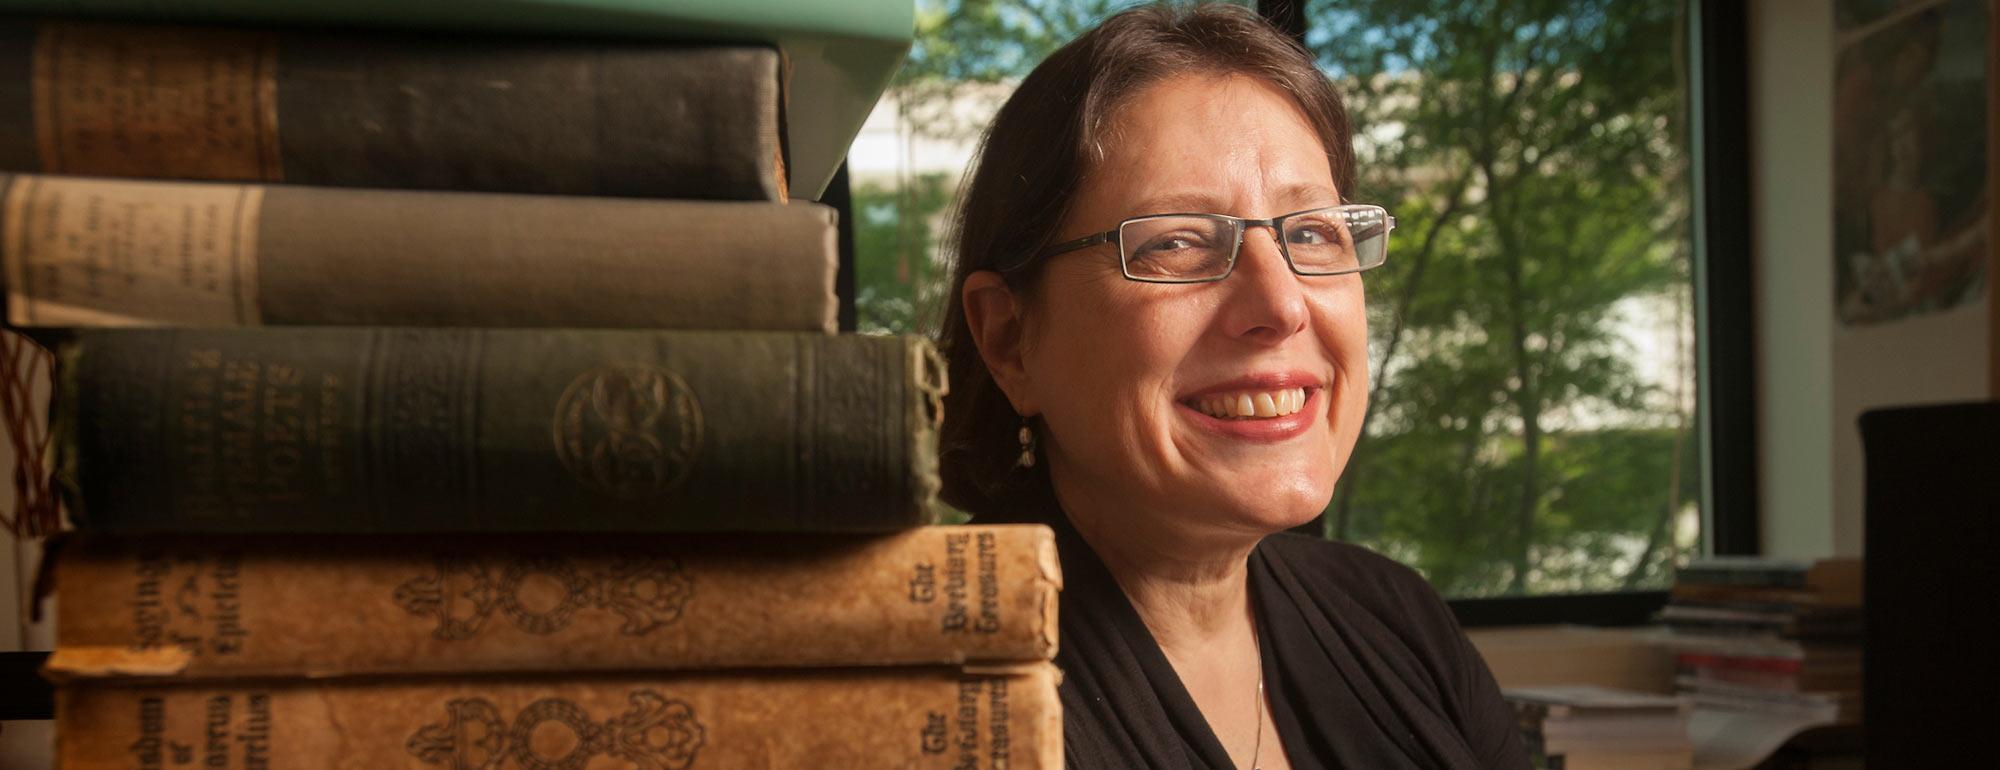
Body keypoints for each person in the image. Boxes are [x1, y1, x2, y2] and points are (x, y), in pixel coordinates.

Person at [936, 4, 1531, 769]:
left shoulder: (1396, 620)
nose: (1282, 306)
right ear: (1009, 339)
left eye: (1313, 232)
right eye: (1177, 242)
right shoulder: (929, 685)